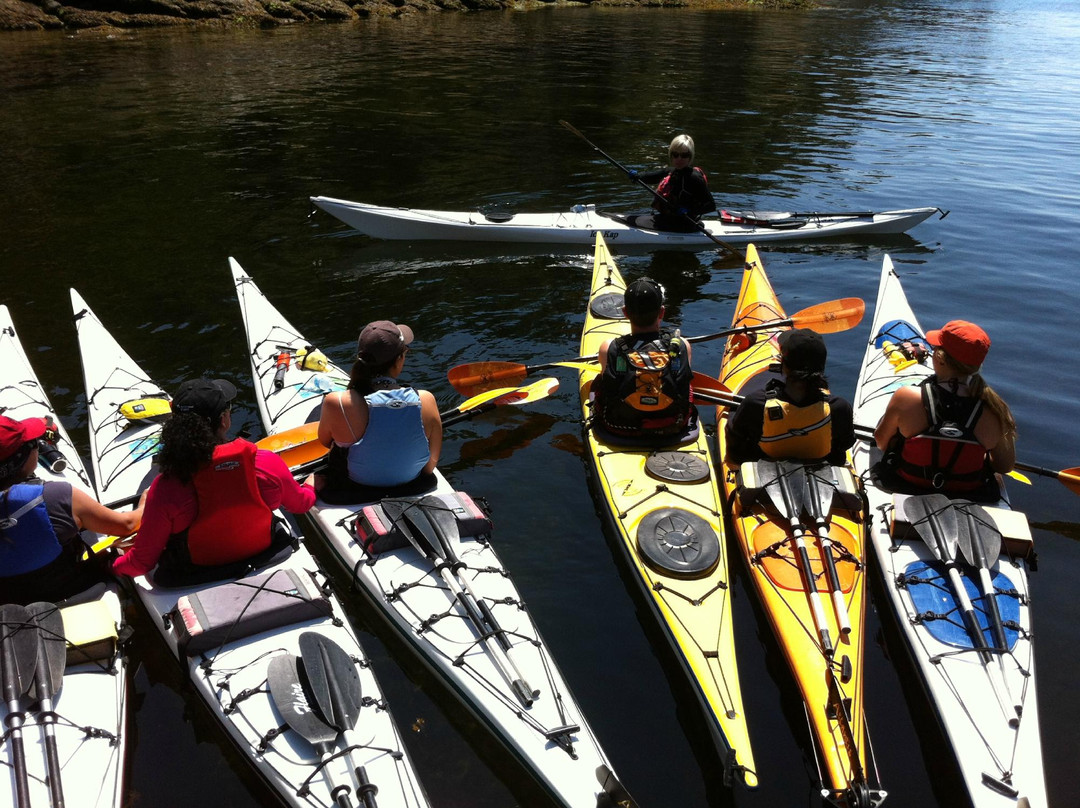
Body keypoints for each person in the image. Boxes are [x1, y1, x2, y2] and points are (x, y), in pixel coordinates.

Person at [111, 378, 316, 585]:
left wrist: (112, 565)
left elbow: (140, 564)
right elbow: (302, 504)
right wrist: (311, 484)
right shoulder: (265, 462)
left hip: (198, 573)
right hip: (264, 558)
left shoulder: (166, 488)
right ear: (224, 420)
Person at [0, 414, 145, 605]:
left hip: (10, 604)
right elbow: (128, 525)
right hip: (70, 593)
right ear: (20, 458)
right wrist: (147, 499)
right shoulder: (55, 496)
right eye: (34, 443)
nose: (38, 446)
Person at [874, 320, 1016, 498]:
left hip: (907, 485)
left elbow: (881, 443)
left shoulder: (906, 397)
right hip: (968, 494)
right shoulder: (997, 410)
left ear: (939, 359)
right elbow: (1004, 466)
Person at [316, 320, 442, 498]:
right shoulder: (426, 400)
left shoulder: (336, 403)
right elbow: (429, 467)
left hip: (356, 490)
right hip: (412, 487)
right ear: (399, 359)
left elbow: (324, 441)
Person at [725, 329, 855, 467]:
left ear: (784, 366)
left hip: (767, 475)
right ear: (821, 368)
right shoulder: (839, 408)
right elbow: (844, 444)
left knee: (735, 415)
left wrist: (735, 411)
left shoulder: (756, 403)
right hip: (822, 477)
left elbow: (735, 450)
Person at [593, 278, 696, 441]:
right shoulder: (682, 346)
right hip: (672, 424)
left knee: (600, 381)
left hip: (619, 426)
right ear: (662, 312)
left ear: (625, 312)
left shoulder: (608, 347)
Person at [633, 134, 718, 233]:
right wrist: (638, 176)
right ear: (671, 155)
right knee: (630, 220)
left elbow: (711, 205)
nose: (679, 159)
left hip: (685, 225)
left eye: (684, 155)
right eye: (675, 155)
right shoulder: (672, 171)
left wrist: (688, 210)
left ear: (690, 157)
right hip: (669, 220)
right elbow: (653, 176)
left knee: (633, 222)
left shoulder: (694, 178)